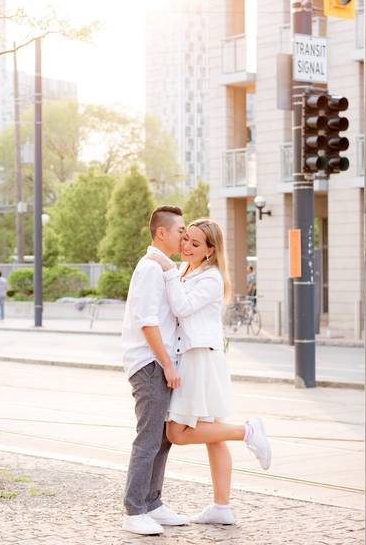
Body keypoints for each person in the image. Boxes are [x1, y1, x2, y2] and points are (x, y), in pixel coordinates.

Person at [148, 219, 271, 526]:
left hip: (198, 358)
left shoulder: (211, 277)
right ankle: (222, 506)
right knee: (213, 435)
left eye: (195, 244)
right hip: (194, 355)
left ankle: (248, 431)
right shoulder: (184, 270)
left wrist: (164, 269)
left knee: (177, 432)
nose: (186, 246)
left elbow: (182, 308)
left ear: (211, 251)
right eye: (186, 238)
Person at [121, 205, 188, 536]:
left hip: (158, 362)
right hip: (149, 364)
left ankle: (153, 503)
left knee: (162, 439)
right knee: (148, 437)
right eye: (180, 230)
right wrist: (166, 364)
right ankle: (134, 510)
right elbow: (147, 323)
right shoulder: (150, 268)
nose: (184, 235)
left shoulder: (162, 268)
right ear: (162, 232)